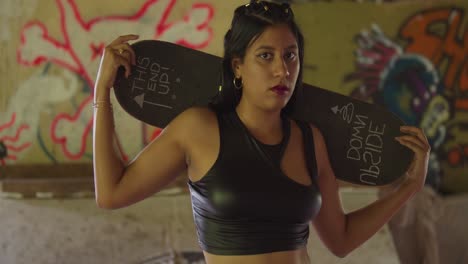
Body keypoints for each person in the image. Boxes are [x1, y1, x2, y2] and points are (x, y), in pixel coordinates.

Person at [92, 1, 431, 263]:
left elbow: (340, 239)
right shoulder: (199, 128)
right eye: (265, 56)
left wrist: (408, 188)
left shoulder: (311, 140)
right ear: (237, 65)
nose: (282, 70)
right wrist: (101, 95)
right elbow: (111, 193)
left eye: (291, 56)